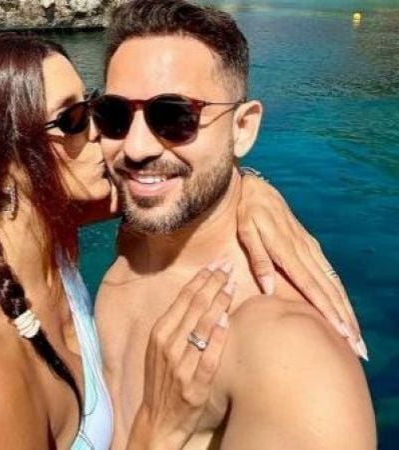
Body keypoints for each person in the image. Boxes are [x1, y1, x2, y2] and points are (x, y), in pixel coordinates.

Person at [0, 32, 364, 449]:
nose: (116, 140)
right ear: (0, 162)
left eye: (95, 108)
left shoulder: (50, 234)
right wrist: (156, 430)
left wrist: (253, 191)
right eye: (74, 119)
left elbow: (180, 187)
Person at [94, 1, 376, 449]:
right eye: (114, 115)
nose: (136, 147)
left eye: (176, 117)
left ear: (243, 129)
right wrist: (252, 185)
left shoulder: (287, 351)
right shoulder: (137, 234)